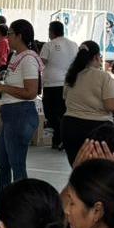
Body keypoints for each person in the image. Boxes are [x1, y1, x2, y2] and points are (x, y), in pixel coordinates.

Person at [0, 19, 42, 194]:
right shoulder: (16, 56)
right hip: (11, 115)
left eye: (10, 34)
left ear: (19, 35)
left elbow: (31, 91)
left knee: (17, 165)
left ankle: (22, 206)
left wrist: (3, 87)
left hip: (21, 114)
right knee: (2, 163)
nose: (7, 38)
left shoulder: (28, 59)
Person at [59, 41, 114, 166]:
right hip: (97, 128)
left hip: (70, 126)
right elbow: (112, 106)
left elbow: (65, 97)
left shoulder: (71, 75)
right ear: (96, 57)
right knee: (97, 172)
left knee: (78, 169)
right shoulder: (103, 76)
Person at [39, 20, 79, 151]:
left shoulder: (49, 45)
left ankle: (62, 138)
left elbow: (40, 64)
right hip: (69, 84)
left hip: (52, 84)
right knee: (63, 112)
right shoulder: (74, 45)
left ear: (51, 31)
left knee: (50, 113)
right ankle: (57, 140)